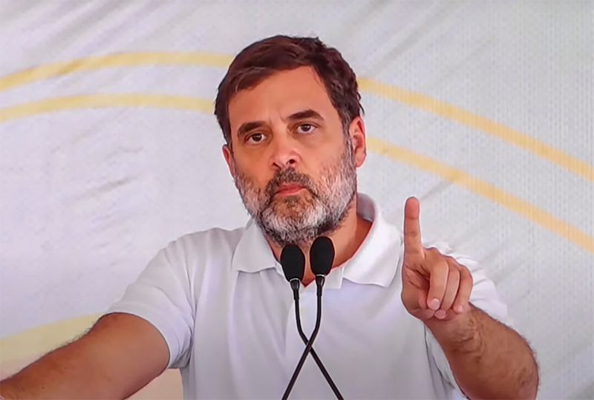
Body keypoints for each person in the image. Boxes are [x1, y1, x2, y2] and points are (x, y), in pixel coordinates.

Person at [0, 35, 538, 400]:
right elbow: (95, 371)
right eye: (256, 137)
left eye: (304, 127)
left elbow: (517, 390)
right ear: (232, 163)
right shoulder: (193, 269)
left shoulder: (435, 278)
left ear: (355, 142)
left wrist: (454, 325)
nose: (282, 155)